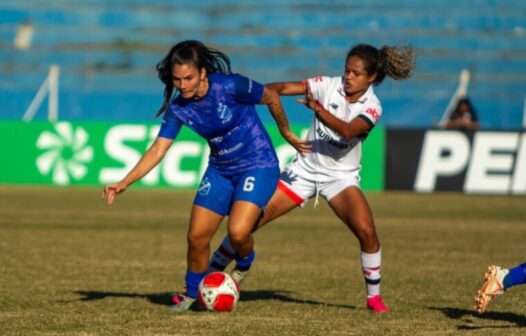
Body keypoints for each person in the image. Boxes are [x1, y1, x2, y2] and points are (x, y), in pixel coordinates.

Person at [100, 40, 309, 312]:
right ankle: (191, 294)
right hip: (220, 170)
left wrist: (286, 133)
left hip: (257, 162)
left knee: (237, 232)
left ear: (202, 73)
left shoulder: (230, 86)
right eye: (177, 79)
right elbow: (158, 148)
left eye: (188, 78)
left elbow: (271, 96)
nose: (183, 85)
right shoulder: (179, 109)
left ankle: (244, 262)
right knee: (196, 237)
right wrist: (124, 181)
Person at [208, 43, 415, 313]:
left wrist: (318, 110)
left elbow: (349, 132)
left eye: (356, 73)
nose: (348, 77)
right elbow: (280, 89)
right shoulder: (327, 85)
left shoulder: (373, 106)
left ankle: (373, 298)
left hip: (340, 178)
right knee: (245, 226)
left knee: (367, 232)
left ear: (371, 78)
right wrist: (255, 94)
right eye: (346, 70)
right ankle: (206, 279)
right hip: (303, 172)